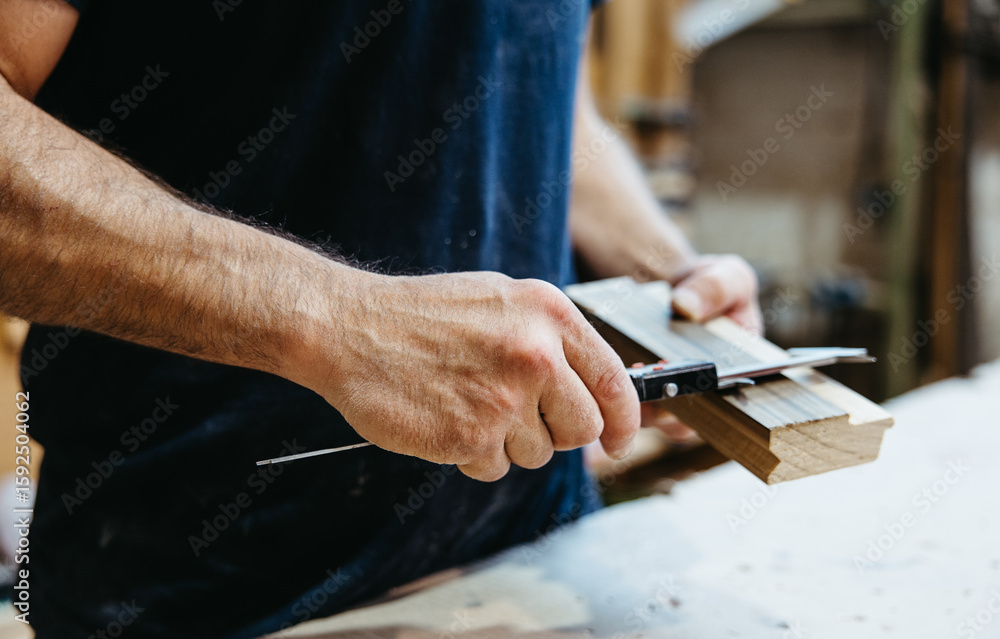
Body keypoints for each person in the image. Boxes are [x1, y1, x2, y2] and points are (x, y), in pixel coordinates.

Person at [0, 1, 761, 636]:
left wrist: (667, 280)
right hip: (196, 586)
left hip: (535, 561)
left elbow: (548, 98)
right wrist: (342, 323)